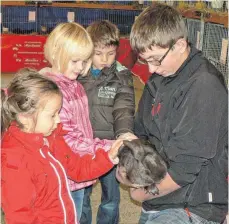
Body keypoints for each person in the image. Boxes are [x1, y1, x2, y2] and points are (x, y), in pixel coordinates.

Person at [121, 3, 228, 224]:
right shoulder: (159, 77)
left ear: (179, 45)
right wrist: (127, 164)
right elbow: (141, 132)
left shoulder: (203, 85)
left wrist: (141, 192)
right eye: (145, 60)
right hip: (160, 197)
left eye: (156, 59)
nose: (150, 69)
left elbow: (186, 168)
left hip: (190, 205)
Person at [1, 68, 123, 224]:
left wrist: (107, 158)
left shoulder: (53, 137)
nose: (58, 120)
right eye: (53, 115)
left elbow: (78, 169)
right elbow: (20, 215)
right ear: (25, 117)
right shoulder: (14, 160)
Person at [39, 22, 117, 221]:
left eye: (84, 61)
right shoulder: (53, 92)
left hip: (80, 171)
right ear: (57, 54)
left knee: (80, 214)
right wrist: (108, 147)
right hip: (64, 176)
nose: (81, 67)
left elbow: (84, 130)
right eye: (75, 61)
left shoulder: (76, 86)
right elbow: (70, 137)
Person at [78, 20, 135, 224]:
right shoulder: (77, 73)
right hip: (82, 148)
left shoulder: (121, 76)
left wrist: (123, 134)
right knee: (81, 196)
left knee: (111, 197)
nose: (105, 59)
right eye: (99, 53)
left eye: (110, 54)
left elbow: (124, 108)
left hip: (111, 146)